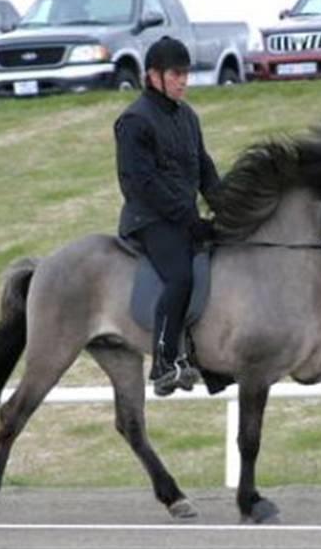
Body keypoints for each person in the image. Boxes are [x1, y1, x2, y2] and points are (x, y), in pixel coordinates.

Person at [114, 36, 221, 396]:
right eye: (177, 74)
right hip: (149, 221)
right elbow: (141, 184)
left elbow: (204, 169)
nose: (183, 81)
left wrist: (228, 209)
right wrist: (187, 219)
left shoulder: (188, 116)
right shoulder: (133, 121)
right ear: (154, 76)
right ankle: (163, 362)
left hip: (181, 218)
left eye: (186, 74)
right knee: (179, 277)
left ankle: (209, 361)